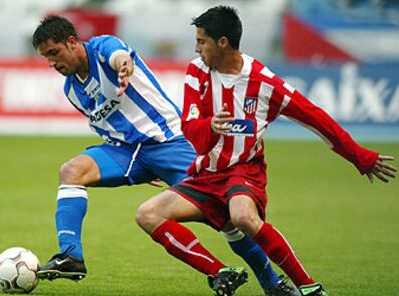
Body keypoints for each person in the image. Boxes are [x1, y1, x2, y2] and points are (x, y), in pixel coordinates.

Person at [135, 5, 397, 296]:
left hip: (243, 172)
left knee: (243, 217)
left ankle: (309, 288)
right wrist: (212, 126)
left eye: (201, 41)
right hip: (205, 176)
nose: (196, 49)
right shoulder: (197, 73)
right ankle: (220, 272)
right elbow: (193, 133)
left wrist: (360, 157)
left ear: (222, 42)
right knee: (147, 214)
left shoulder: (264, 83)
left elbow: (316, 118)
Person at [31, 15, 301, 296]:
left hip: (170, 143)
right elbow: (108, 126)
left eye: (54, 53)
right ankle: (71, 256)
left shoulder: (103, 49)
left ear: (72, 42)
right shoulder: (72, 90)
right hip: (126, 152)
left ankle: (273, 283)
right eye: (46, 58)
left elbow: (120, 55)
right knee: (71, 171)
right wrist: (136, 167)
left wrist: (124, 65)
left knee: (226, 218)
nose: (52, 63)